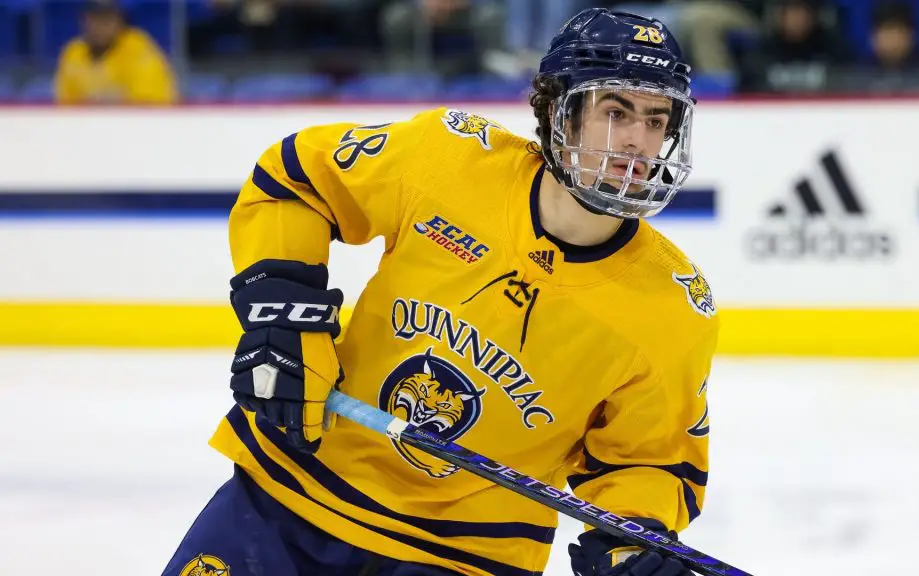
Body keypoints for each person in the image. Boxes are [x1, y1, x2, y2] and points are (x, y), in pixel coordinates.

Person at [162, 8, 719, 576]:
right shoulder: (450, 158)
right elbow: (296, 183)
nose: (637, 142)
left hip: (467, 555)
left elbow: (651, 460)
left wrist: (631, 538)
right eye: (615, 111)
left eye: (656, 120)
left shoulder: (673, 307)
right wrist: (284, 317)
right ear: (557, 109)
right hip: (290, 497)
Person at [54, 0, 178, 105]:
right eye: (94, 19)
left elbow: (149, 107)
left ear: (120, 21)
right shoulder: (73, 52)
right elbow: (65, 105)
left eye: (107, 19)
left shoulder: (138, 51)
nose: (100, 26)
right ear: (84, 21)